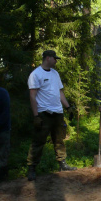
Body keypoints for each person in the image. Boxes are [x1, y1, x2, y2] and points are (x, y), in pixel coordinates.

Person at [26, 50, 77, 181]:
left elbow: (60, 93)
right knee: (38, 141)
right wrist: (36, 115)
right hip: (44, 113)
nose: (56, 61)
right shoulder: (35, 74)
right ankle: (31, 168)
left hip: (58, 113)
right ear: (48, 58)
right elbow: (32, 96)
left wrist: (68, 107)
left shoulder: (55, 74)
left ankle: (62, 164)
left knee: (59, 139)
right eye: (55, 58)